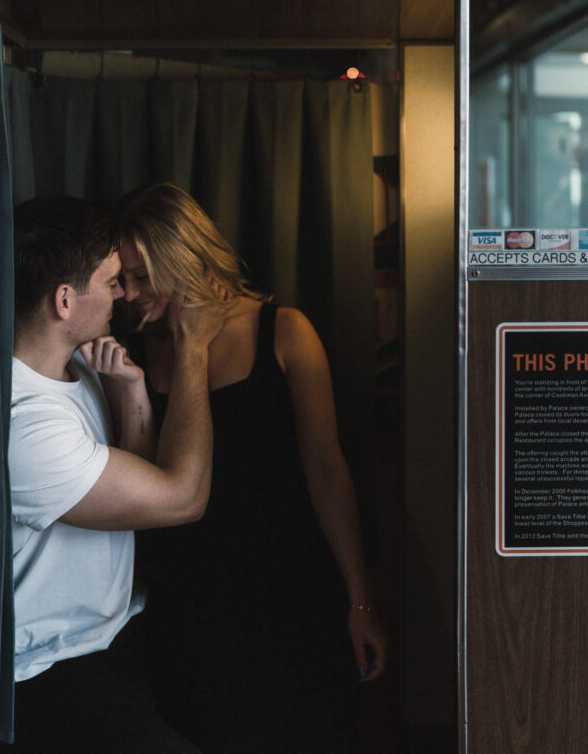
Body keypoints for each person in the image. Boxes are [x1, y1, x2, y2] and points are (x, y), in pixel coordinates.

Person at [116, 181, 388, 754]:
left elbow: (327, 469)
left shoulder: (285, 330)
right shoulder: (135, 353)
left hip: (294, 589)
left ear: (184, 257)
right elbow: (141, 489)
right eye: (123, 279)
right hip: (194, 599)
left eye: (142, 276)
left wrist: (360, 600)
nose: (130, 295)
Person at [5, 194, 223, 754]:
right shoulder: (25, 426)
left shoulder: (79, 362)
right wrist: (194, 347)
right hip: (51, 671)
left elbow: (137, 486)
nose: (124, 294)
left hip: (113, 637)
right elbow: (181, 498)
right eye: (110, 281)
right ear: (64, 300)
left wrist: (131, 391)